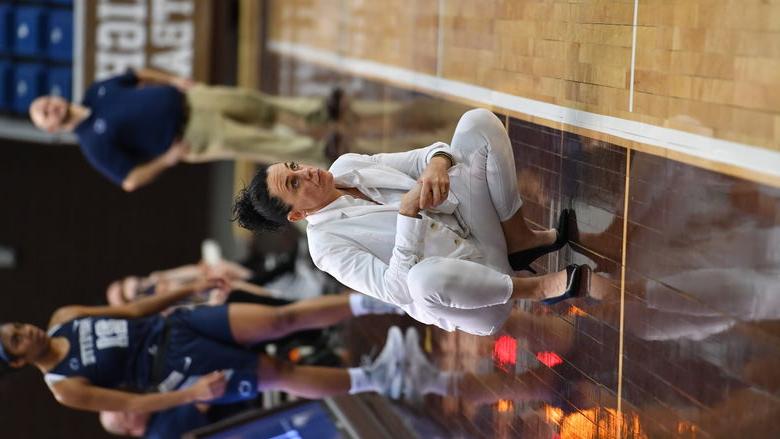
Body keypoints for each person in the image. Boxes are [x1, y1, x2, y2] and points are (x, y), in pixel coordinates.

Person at [233, 108, 594, 336]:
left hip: (479, 233)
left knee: (476, 123)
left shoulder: (345, 166)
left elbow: (427, 154)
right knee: (421, 280)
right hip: (477, 292)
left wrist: (437, 164)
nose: (308, 172)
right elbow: (397, 291)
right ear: (297, 215)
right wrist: (408, 216)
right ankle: (536, 289)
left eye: (294, 167)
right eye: (295, 183)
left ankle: (519, 239)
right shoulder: (325, 248)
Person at [0, 278, 410, 416]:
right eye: (17, 340)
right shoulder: (63, 387)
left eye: (17, 326)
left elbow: (134, 308)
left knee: (279, 319)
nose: (26, 332)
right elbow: (132, 406)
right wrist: (191, 394)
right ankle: (377, 378)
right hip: (173, 366)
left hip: (175, 324)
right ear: (18, 361)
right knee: (277, 373)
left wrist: (190, 288)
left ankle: (382, 300)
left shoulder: (63, 316)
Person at [28, 68, 343, 191]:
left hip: (191, 98)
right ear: (52, 130)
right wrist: (168, 159)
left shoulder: (96, 91)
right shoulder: (91, 144)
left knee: (256, 103)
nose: (50, 107)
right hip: (189, 135)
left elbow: (136, 75)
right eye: (45, 114)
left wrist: (174, 81)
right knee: (259, 142)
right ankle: (320, 152)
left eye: (46, 102)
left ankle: (318, 111)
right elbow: (129, 180)